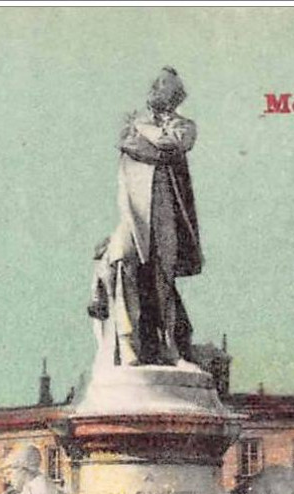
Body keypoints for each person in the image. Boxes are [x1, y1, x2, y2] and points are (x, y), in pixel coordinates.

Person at [98, 67, 202, 367]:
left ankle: (169, 345)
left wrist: (148, 135)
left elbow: (176, 144)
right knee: (123, 259)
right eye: (156, 86)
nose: (157, 91)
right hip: (133, 210)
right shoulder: (128, 119)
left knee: (163, 276)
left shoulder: (183, 125)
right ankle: (128, 342)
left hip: (166, 207)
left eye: (166, 88)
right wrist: (157, 144)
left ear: (176, 96)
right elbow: (130, 143)